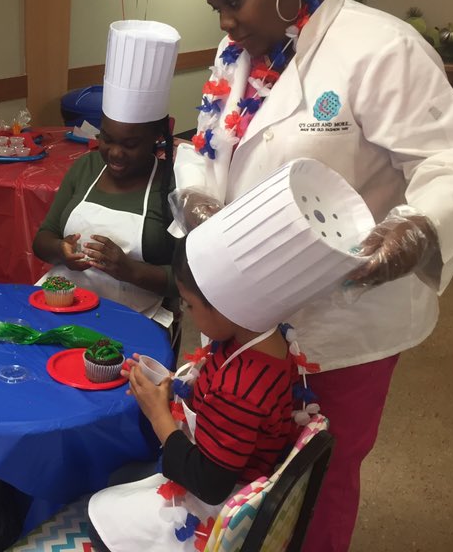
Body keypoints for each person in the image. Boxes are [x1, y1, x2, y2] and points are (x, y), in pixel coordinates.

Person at [172, 0, 453, 551]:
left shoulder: (379, 47)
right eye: (216, 6)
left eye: (235, 1)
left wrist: (415, 227)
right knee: (238, 473)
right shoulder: (236, 61)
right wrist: (198, 196)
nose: (226, 24)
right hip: (242, 318)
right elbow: (203, 148)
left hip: (342, 324)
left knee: (316, 482)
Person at [87, 218, 307, 552]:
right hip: (229, 463)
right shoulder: (264, 337)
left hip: (213, 507)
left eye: (189, 304)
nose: (186, 313)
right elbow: (219, 405)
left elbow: (210, 483)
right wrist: (172, 386)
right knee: (121, 476)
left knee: (99, 514)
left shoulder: (240, 389)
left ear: (228, 303)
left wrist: (158, 414)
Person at [33, 20, 182, 341]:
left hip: (135, 321)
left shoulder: (172, 186)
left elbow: (188, 280)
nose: (115, 153)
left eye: (130, 145)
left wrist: (131, 271)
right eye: (107, 139)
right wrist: (61, 250)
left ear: (157, 137)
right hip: (64, 309)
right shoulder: (86, 167)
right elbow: (42, 239)